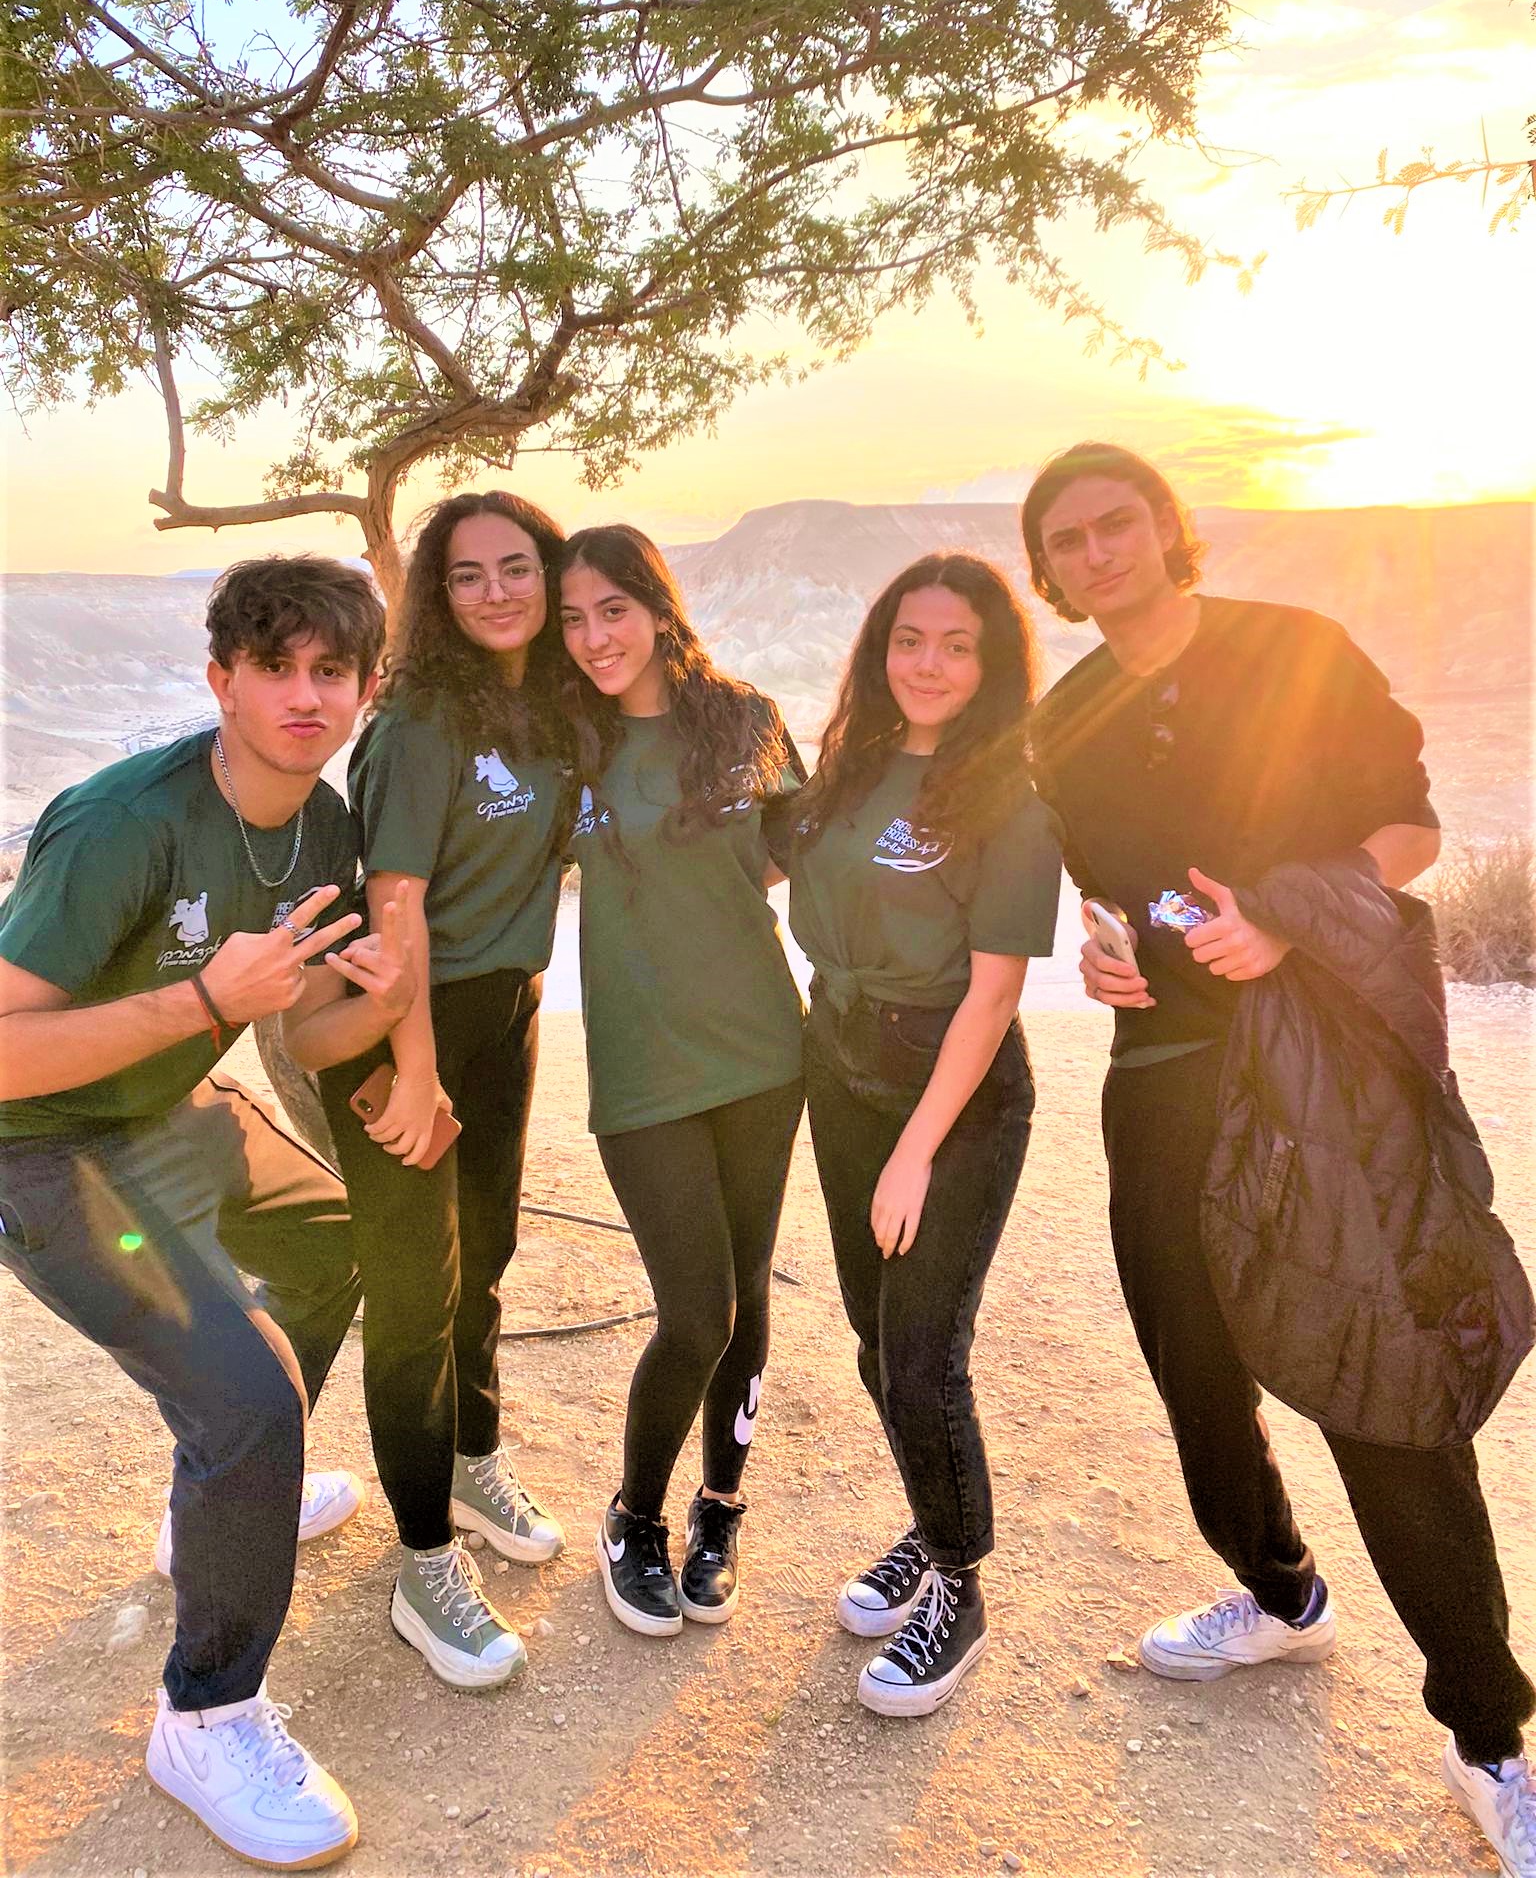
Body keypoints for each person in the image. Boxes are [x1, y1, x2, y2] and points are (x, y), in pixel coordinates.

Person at [1024, 442, 1535, 1871]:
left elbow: (1411, 829)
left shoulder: (1293, 648)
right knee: (1194, 1374)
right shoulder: (1063, 717)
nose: (1096, 552)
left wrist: (1287, 912)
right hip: (1162, 1075)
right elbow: (1111, 891)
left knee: (1382, 1390)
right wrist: (1102, 949)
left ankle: (1491, 1738)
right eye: (1066, 539)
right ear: (1048, 569)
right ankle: (1280, 1594)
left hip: (1321, 1072)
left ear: (1166, 527)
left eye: (1117, 523)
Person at [0, 556, 409, 1870]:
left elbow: (306, 1024)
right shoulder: (122, 825)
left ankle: (219, 1510)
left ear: (365, 686)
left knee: (335, 1240)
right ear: (222, 679)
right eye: (274, 667)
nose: (305, 696)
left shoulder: (325, 828)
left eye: (332, 670)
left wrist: (390, 1000)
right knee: (250, 1397)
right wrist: (201, 1004)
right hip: (37, 1148)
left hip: (162, 1110)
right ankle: (205, 1716)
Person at [778, 553, 1061, 1717]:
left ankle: (959, 1583)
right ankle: (930, 1518)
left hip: (953, 1093)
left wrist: (915, 1151)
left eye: (956, 644)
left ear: (992, 665)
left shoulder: (1009, 799)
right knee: (872, 1330)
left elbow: (993, 996)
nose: (928, 663)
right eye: (908, 638)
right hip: (839, 1064)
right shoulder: (849, 767)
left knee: (921, 1350)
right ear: (878, 649)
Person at [315, 490, 569, 1692]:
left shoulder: (544, 708)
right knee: (417, 1291)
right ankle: (423, 1563)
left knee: (489, 1254)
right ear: (435, 594)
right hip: (407, 1024)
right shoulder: (419, 720)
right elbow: (393, 906)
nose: (496, 592)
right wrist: (413, 1070)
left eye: (517, 566)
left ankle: (472, 1459)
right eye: (467, 575)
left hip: (505, 1009)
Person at [559, 524, 805, 1636]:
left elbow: (800, 850)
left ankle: (719, 1508)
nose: (594, 636)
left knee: (746, 1298)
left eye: (613, 609)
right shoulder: (563, 743)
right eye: (572, 619)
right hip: (643, 1070)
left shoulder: (746, 721)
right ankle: (635, 1516)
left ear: (658, 607)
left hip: (764, 1053)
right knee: (697, 1310)